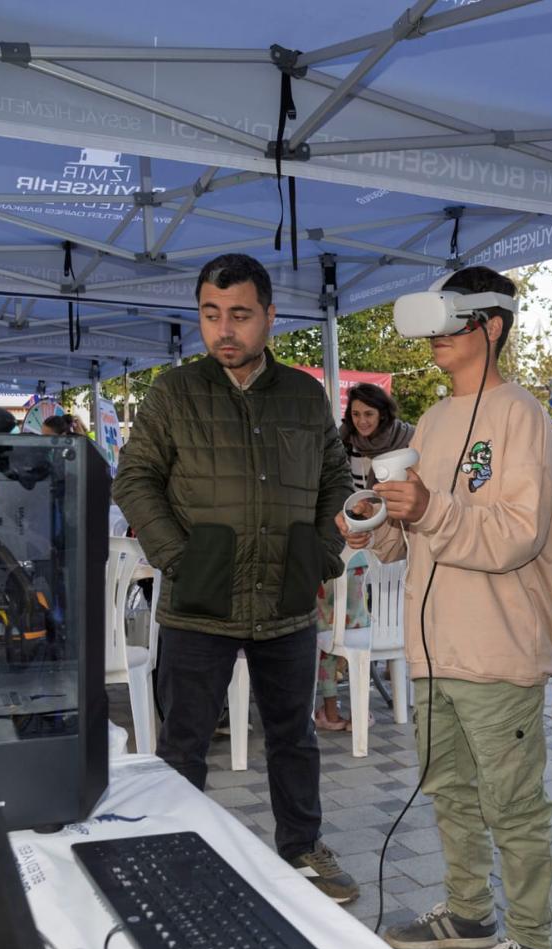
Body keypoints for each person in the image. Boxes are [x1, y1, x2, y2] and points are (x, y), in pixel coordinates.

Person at [339, 266, 552, 949]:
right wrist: (381, 526)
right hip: (433, 647)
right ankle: (469, 911)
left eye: (450, 323)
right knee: (449, 791)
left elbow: (515, 537)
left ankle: (531, 938)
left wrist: (429, 509)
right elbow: (423, 536)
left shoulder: (523, 417)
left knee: (513, 803)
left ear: (491, 327)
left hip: (499, 646)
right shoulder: (433, 423)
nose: (436, 338)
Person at [113, 252, 358, 903]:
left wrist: (322, 554)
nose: (224, 330)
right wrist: (178, 557)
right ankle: (174, 850)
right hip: (200, 605)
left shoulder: (305, 396)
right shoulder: (174, 392)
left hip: (285, 602)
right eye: (211, 314)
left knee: (294, 737)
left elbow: (337, 477)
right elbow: (134, 479)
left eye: (240, 315)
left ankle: (302, 848)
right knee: (185, 743)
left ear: (270, 317)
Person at [314, 383, 416, 732]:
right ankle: (329, 705)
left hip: (390, 542)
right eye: (355, 414)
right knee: (332, 624)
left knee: (374, 617)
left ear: (383, 412)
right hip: (345, 541)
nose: (361, 422)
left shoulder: (408, 444)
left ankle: (392, 678)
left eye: (368, 414)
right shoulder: (341, 444)